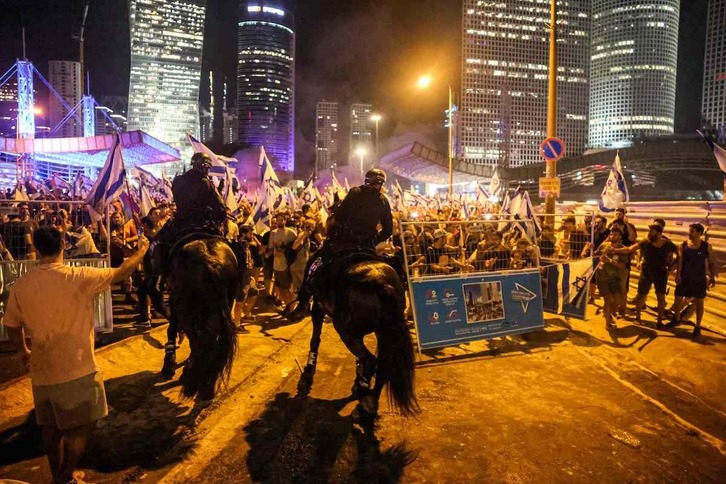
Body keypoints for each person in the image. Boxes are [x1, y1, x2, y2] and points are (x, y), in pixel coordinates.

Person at [4, 226, 149, 484]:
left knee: (50, 428)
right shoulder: (78, 275)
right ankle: (64, 476)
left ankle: (59, 474)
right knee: (83, 425)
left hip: (43, 371)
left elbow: (11, 325)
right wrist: (143, 250)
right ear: (63, 245)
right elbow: (122, 271)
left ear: (36, 249)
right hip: (79, 368)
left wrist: (23, 351)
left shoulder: (21, 285)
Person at [286, 168, 393, 321]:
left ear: (367, 180)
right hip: (367, 247)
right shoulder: (384, 200)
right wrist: (373, 241)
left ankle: (303, 305)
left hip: (343, 242)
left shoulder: (355, 192)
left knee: (313, 262)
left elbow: (341, 214)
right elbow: (388, 230)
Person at [609, 223, 677, 328]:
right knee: (642, 295)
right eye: (649, 231)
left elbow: (679, 253)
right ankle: (638, 317)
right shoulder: (645, 242)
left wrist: (673, 266)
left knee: (661, 297)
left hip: (661, 273)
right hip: (647, 272)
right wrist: (615, 250)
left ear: (659, 234)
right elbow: (630, 249)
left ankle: (659, 321)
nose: (649, 234)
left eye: (651, 232)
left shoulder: (667, 244)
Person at [669, 223, 718, 339]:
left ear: (700, 233)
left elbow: (711, 262)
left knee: (699, 303)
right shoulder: (684, 245)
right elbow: (679, 261)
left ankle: (697, 326)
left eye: (692, 231)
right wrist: (677, 274)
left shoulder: (706, 246)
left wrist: (712, 277)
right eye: (689, 231)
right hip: (685, 277)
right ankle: (676, 319)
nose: (689, 233)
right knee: (677, 299)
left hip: (698, 279)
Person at [171, 152, 227, 235]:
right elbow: (221, 209)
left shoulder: (177, 180)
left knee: (158, 244)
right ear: (205, 166)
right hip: (202, 224)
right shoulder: (207, 183)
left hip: (179, 224)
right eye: (208, 168)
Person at [594, 227, 628, 329]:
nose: (613, 236)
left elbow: (623, 265)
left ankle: (609, 314)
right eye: (612, 234)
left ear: (620, 237)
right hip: (602, 277)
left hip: (615, 277)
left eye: (616, 234)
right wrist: (590, 248)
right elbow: (596, 255)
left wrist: (610, 261)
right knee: (608, 300)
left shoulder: (623, 249)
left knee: (617, 300)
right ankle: (607, 323)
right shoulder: (604, 245)